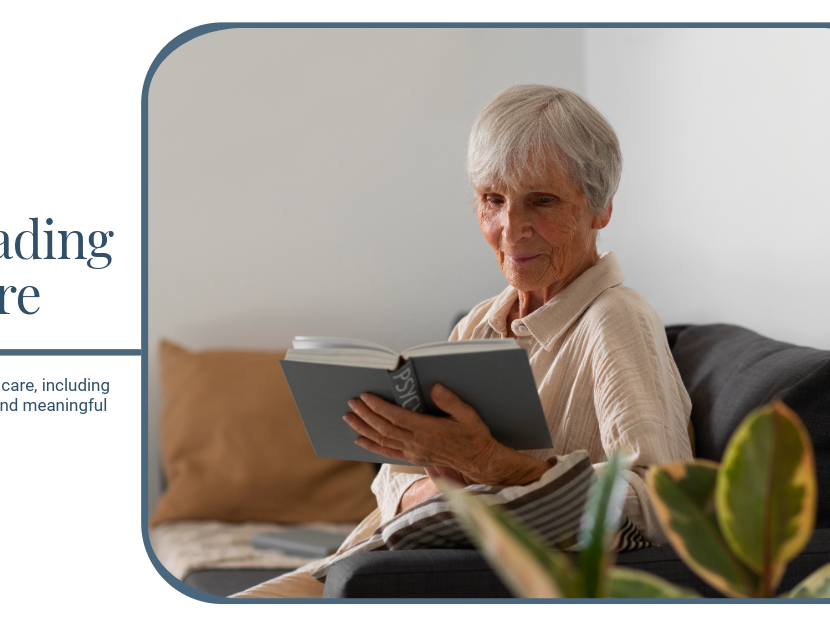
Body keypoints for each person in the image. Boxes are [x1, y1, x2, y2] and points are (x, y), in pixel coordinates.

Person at [234, 84, 693, 598]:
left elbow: (663, 501)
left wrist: (495, 467)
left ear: (600, 209)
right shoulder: (481, 321)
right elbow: (391, 480)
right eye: (492, 200)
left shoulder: (615, 320)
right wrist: (437, 485)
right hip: (373, 557)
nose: (510, 229)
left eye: (541, 201)